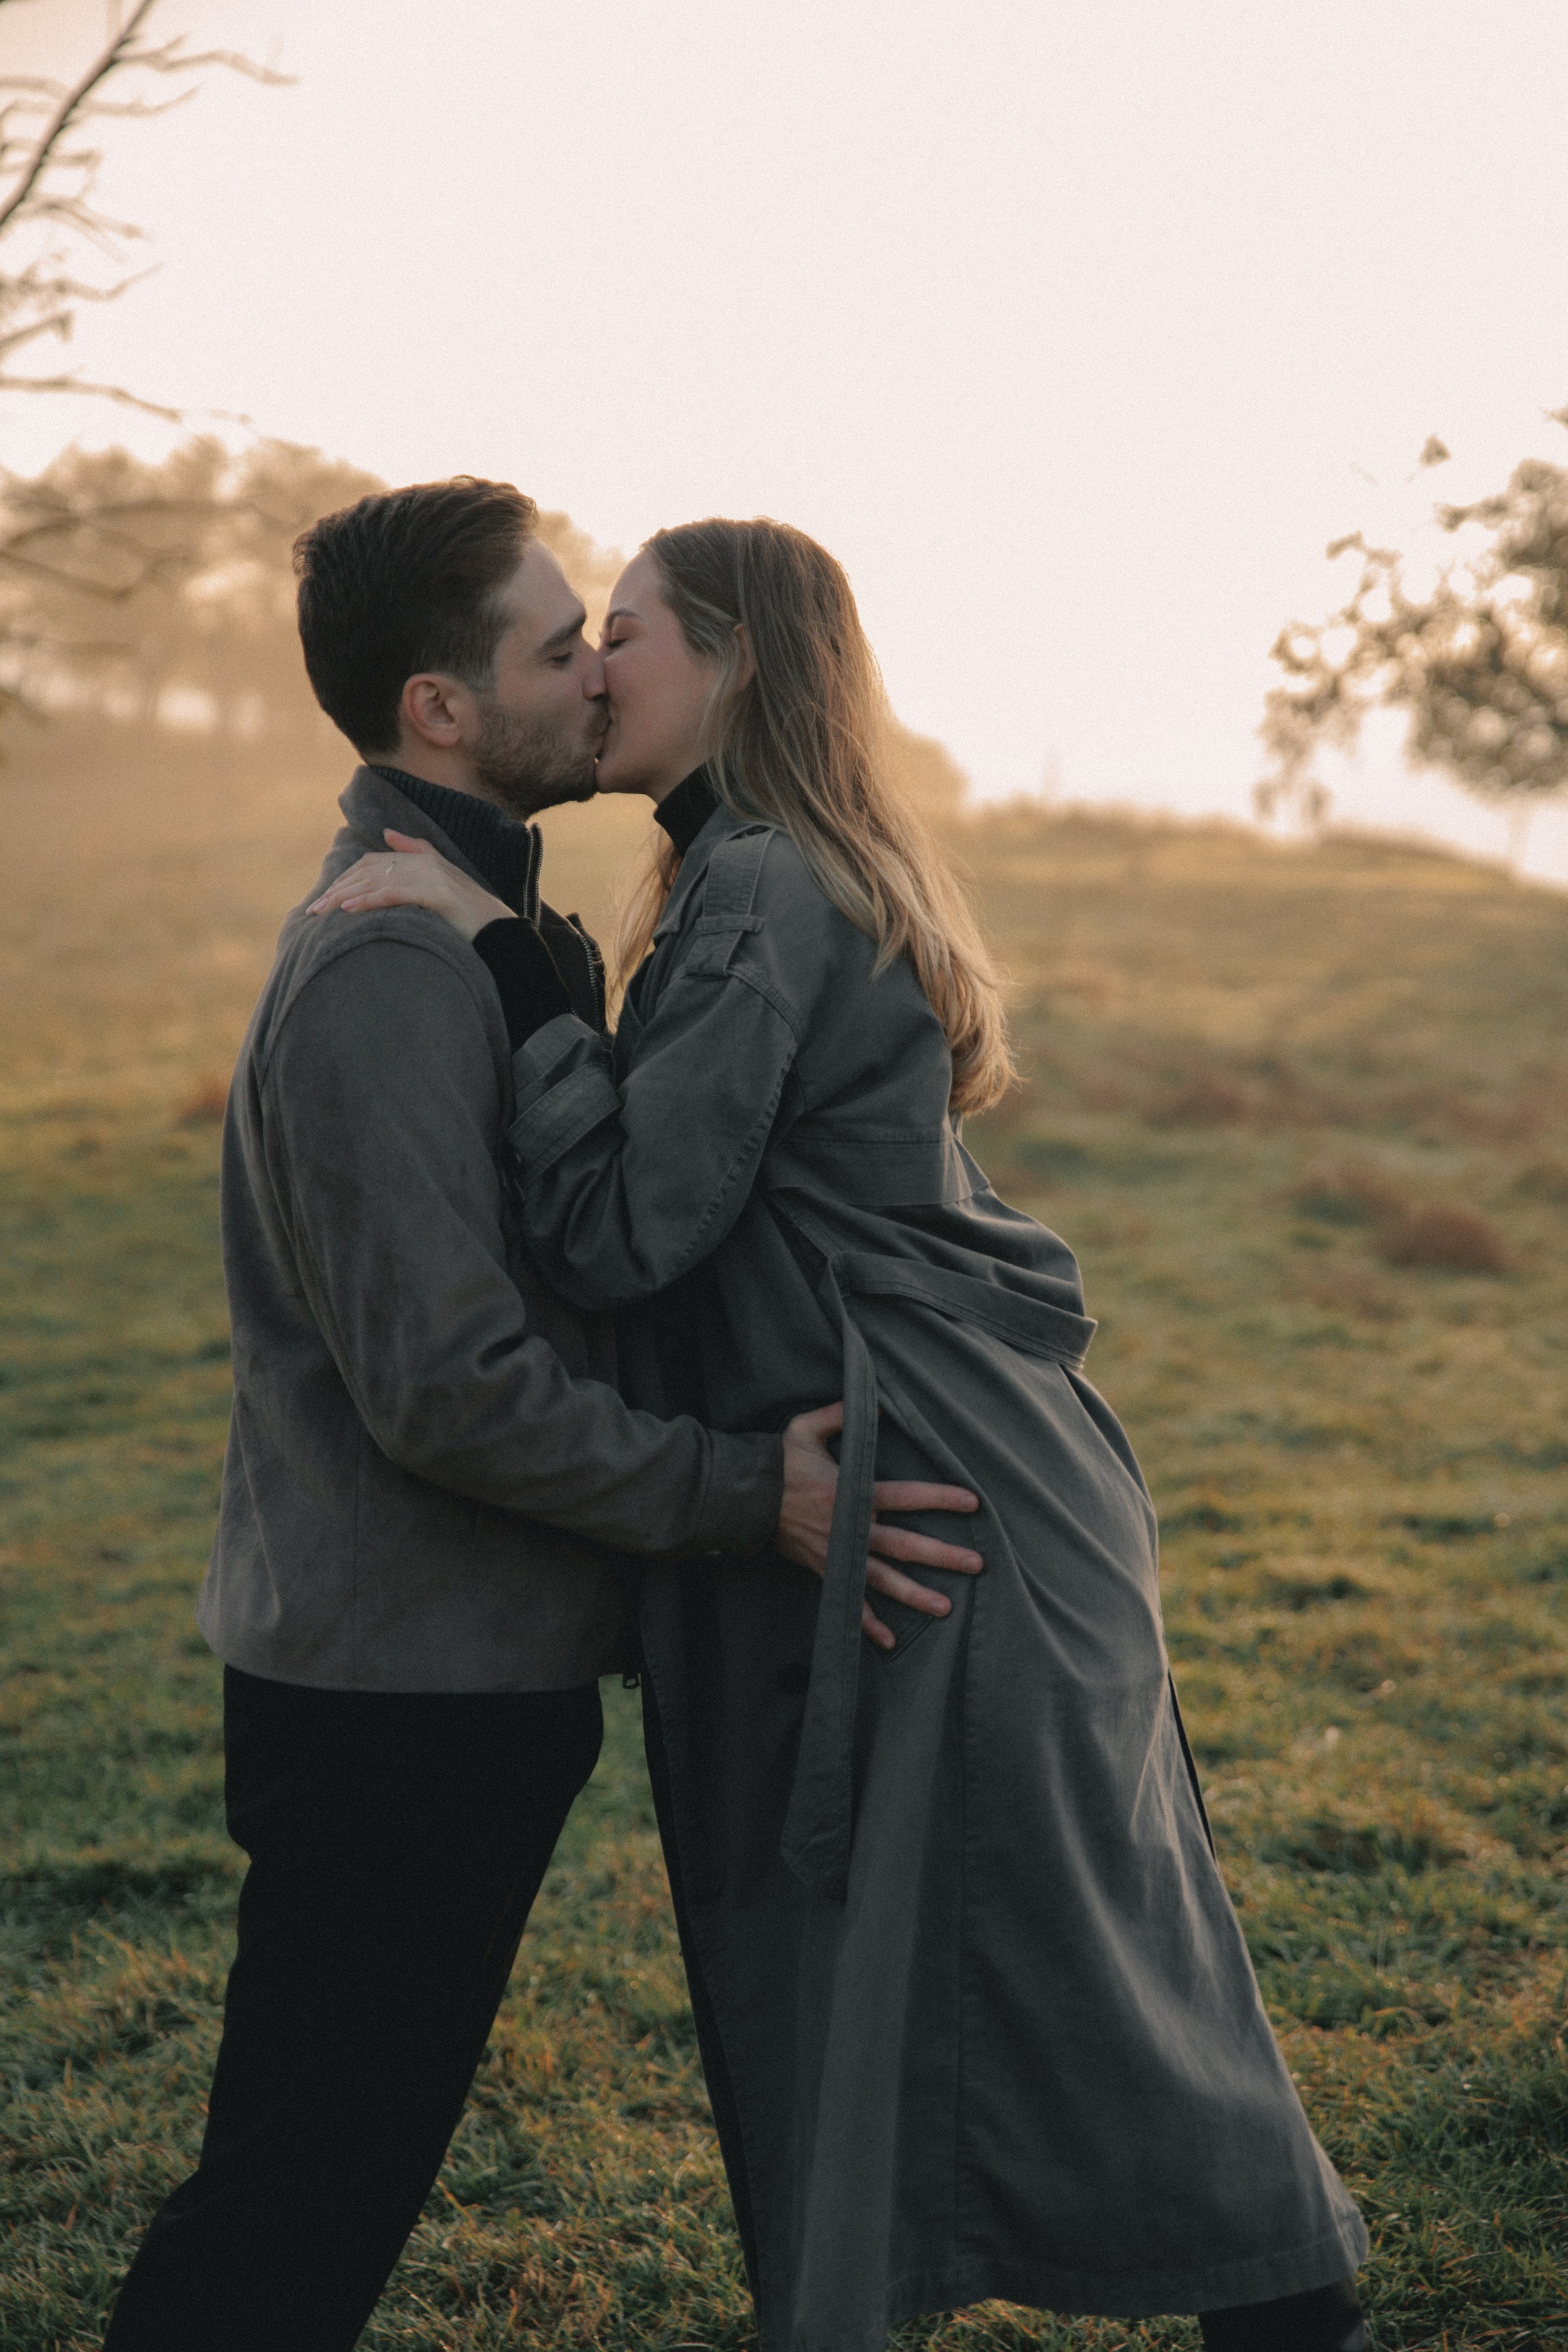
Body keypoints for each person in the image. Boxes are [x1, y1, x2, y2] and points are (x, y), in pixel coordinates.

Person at [318, 514, 1372, 2352]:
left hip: (935, 1495)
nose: (594, 670)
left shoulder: (757, 886)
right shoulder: (751, 868)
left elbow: (620, 1229)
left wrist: (498, 957)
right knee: (1044, 1947)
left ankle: (1290, 2315)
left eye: (626, 631)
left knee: (1062, 1959)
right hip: (968, 1473)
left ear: (734, 662)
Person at [102, 481, 981, 2352]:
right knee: (296, 2204)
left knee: (321, 2180)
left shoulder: (490, 929)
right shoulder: (393, 967)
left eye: (605, 639)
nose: (595, 676)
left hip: (453, 1675)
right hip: (397, 1702)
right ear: (440, 710)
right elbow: (451, 1388)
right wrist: (746, 1495)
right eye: (557, 645)